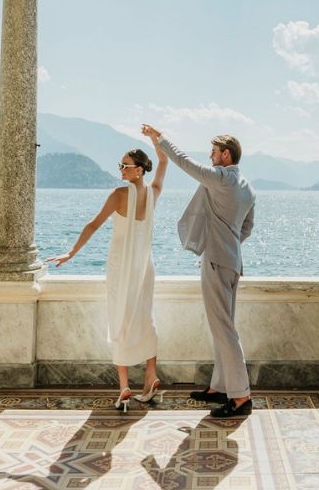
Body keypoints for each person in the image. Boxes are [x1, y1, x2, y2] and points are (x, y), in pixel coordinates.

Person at [143, 125, 256, 420]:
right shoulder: (247, 187)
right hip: (232, 262)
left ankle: (241, 396)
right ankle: (220, 387)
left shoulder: (221, 179)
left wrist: (160, 140)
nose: (210, 156)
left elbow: (185, 163)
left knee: (224, 330)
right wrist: (228, 243)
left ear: (225, 155)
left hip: (217, 262)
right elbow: (247, 227)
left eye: (214, 152)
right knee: (224, 325)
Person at [47, 141, 168, 412]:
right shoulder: (154, 193)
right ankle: (150, 376)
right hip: (144, 266)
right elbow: (164, 162)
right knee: (145, 317)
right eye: (120, 165)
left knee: (119, 319)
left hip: (121, 267)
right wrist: (156, 139)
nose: (121, 169)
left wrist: (71, 252)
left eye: (126, 166)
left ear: (139, 171)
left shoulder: (119, 194)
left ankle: (124, 385)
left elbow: (93, 224)